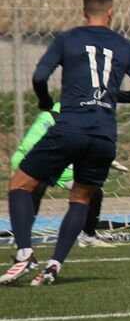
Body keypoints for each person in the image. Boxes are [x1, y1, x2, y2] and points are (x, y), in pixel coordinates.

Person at [2, 0, 130, 286]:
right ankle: (54, 265)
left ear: (83, 11)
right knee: (81, 200)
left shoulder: (67, 38)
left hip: (70, 128)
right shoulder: (126, 46)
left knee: (19, 184)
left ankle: (25, 253)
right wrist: (112, 96)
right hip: (104, 136)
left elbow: (39, 77)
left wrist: (45, 102)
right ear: (111, 12)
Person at [11, 103, 113, 248]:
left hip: (61, 164)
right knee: (37, 187)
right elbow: (30, 146)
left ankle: (88, 236)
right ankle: (22, 238)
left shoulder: (83, 119)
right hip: (33, 160)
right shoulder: (49, 118)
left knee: (93, 191)